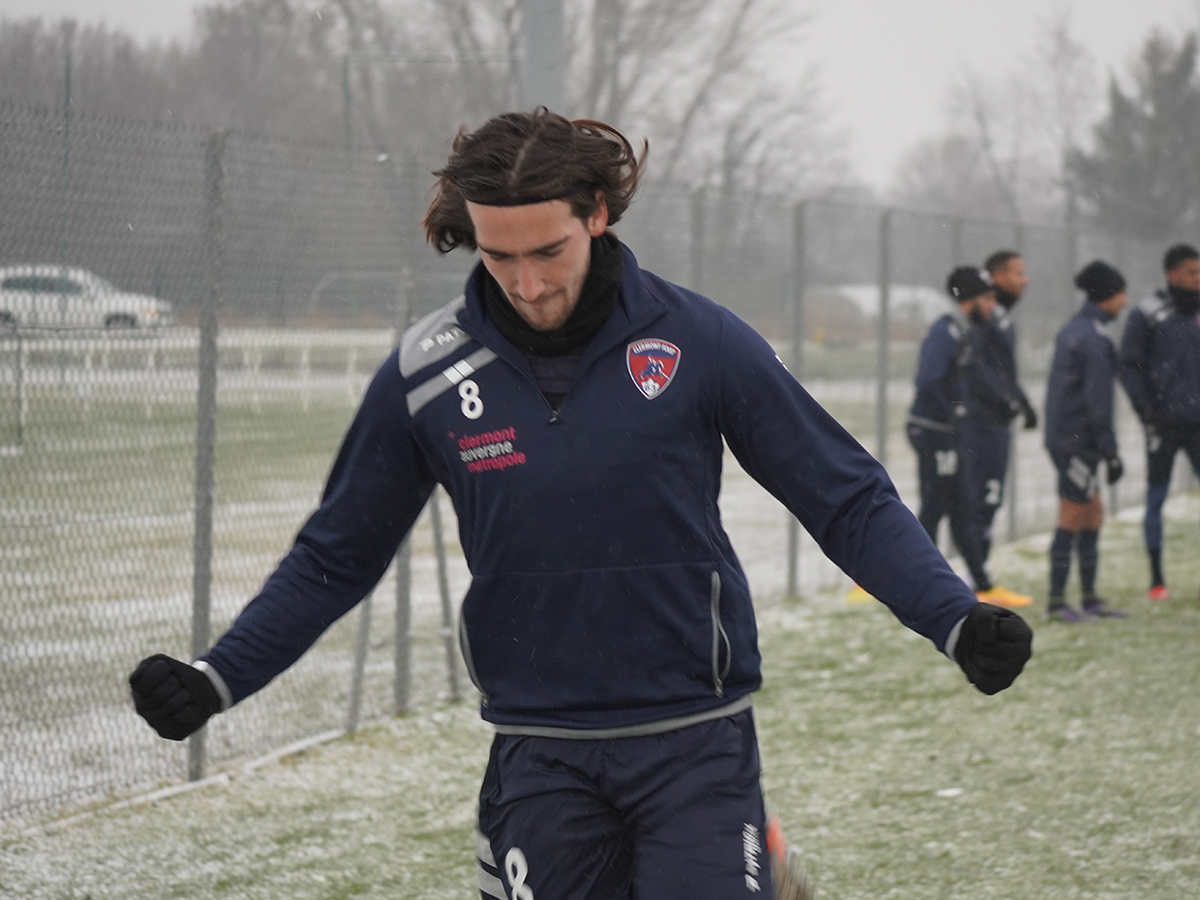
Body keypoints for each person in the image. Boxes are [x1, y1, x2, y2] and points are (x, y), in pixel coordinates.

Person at [128, 111, 1032, 900]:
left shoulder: (699, 340)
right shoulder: (426, 374)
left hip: (693, 739)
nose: (526, 283)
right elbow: (337, 555)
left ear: (596, 216)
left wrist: (952, 617)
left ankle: (755, 855)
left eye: (548, 251)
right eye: (498, 255)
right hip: (538, 749)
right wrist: (220, 677)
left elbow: (844, 496)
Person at [906, 266, 1032, 609]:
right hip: (932, 432)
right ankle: (916, 582)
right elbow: (928, 381)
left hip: (948, 433)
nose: (993, 306)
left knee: (960, 508)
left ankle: (983, 585)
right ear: (970, 299)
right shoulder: (945, 332)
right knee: (933, 508)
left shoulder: (963, 331)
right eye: (988, 298)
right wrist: (957, 410)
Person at [1043, 261, 1129, 621]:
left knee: (1093, 515)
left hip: (1073, 439)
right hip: (1076, 443)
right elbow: (1097, 400)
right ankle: (1057, 603)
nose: (1125, 302)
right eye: (1122, 293)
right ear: (1109, 294)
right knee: (1074, 514)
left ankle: (1090, 598)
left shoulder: (1079, 329)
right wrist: (1109, 451)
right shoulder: (1092, 337)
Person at [1118, 243, 1200, 602]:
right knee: (1156, 501)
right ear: (1172, 275)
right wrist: (1145, 408)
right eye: (1191, 273)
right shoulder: (1147, 314)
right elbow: (1128, 364)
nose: (1198, 279)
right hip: (1163, 425)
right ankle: (1157, 581)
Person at [960, 251, 1038, 562]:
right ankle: (976, 581)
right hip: (980, 423)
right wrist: (1002, 397)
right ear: (998, 277)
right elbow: (974, 366)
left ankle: (980, 579)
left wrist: (1022, 400)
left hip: (995, 421)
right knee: (977, 498)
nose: (1026, 279)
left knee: (987, 499)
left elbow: (1001, 369)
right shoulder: (984, 317)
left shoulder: (1001, 316)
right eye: (1018, 273)